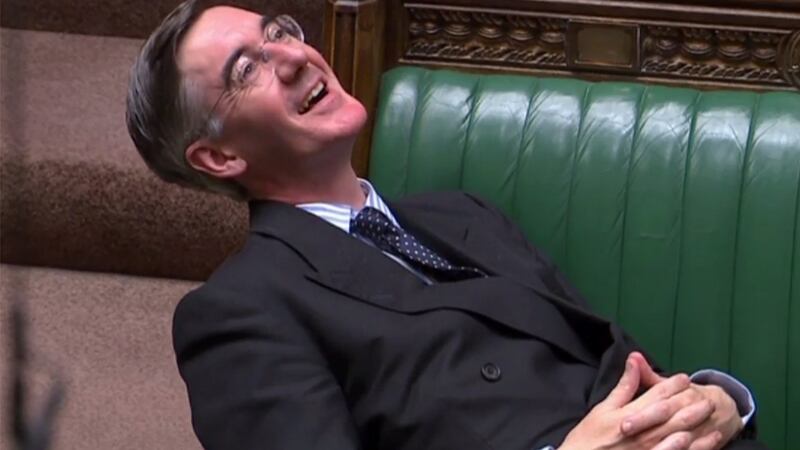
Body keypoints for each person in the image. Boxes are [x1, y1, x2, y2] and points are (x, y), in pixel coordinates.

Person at [125, 1, 764, 449]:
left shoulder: (461, 214)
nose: (291, 56)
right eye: (246, 70)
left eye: (280, 32)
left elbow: (610, 364)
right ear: (219, 158)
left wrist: (717, 400)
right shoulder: (239, 312)